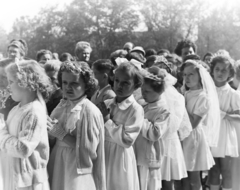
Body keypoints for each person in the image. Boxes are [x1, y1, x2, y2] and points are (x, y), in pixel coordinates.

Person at [47, 61, 106, 190]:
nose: (68, 87)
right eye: (65, 83)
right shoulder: (62, 105)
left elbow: (88, 150)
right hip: (58, 161)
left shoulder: (88, 111)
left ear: (86, 85)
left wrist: (60, 134)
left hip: (76, 165)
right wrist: (51, 135)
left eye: (74, 83)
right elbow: (53, 138)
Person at [134, 67, 191, 190]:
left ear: (159, 92)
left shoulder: (163, 111)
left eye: (147, 91)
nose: (143, 94)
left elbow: (155, 133)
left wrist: (139, 118)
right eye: (142, 90)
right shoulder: (144, 106)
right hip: (139, 154)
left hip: (150, 157)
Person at [0, 60, 52, 190]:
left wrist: (1, 129)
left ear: (25, 82)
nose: (8, 87)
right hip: (14, 176)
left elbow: (23, 149)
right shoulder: (16, 109)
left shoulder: (33, 111)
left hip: (28, 182)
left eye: (11, 82)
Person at [97, 61, 144, 190]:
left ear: (136, 86)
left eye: (126, 83)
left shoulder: (135, 109)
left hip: (119, 157)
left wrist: (107, 120)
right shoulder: (106, 104)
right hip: (103, 153)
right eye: (117, 81)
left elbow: (127, 140)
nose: (119, 85)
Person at [181, 59, 220, 190]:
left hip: (193, 138)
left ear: (200, 76)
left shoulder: (203, 97)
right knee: (183, 176)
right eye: (185, 74)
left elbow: (193, 123)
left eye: (191, 74)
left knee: (193, 176)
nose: (187, 77)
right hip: (181, 136)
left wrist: (181, 105)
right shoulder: (185, 93)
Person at [209, 55, 240, 190]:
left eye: (224, 70)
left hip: (225, 134)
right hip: (210, 133)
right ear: (212, 71)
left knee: (226, 171)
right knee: (213, 170)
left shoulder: (233, 94)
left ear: (230, 74)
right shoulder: (207, 91)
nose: (220, 73)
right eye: (217, 69)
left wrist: (224, 115)